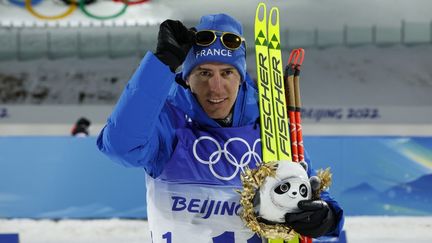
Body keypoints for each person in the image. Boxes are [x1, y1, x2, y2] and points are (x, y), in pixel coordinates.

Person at [97, 13, 344, 242]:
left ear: (240, 77)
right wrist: (161, 65)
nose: (215, 88)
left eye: (227, 73)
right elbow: (120, 146)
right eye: (204, 73)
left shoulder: (271, 126)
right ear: (187, 77)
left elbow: (313, 195)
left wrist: (327, 219)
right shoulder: (168, 124)